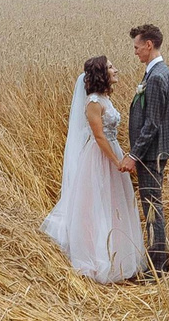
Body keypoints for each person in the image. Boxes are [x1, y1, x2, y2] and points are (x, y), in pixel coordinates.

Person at [42, 54, 150, 283]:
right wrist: (116, 161)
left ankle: (118, 257)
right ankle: (96, 256)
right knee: (96, 206)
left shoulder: (104, 99)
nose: (116, 70)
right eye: (111, 67)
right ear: (102, 73)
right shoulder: (93, 102)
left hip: (112, 153)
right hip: (100, 158)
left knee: (114, 204)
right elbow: (99, 136)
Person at [127, 23, 169, 274]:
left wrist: (134, 154)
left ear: (149, 45)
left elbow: (153, 122)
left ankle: (157, 268)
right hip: (153, 151)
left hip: (151, 153)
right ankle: (157, 262)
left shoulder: (156, 77)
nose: (135, 52)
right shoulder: (157, 72)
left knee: (153, 209)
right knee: (152, 206)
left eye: (137, 47)